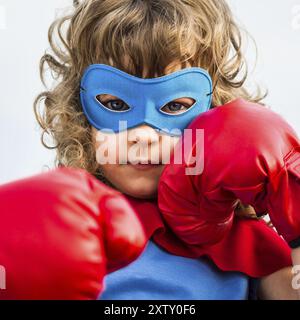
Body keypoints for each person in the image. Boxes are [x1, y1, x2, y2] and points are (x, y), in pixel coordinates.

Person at [0, 0, 298, 300]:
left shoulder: (243, 242)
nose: (143, 136)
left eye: (174, 106)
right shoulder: (59, 228)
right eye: (115, 104)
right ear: (79, 111)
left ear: (215, 110)